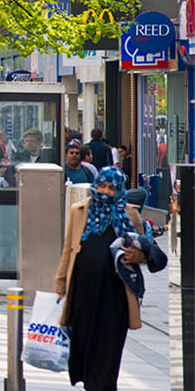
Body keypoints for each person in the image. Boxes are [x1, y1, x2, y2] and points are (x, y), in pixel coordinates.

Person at [55, 166, 150, 391]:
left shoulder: (129, 214)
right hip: (82, 293)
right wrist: (60, 285)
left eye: (111, 188)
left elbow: (145, 249)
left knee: (108, 352)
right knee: (84, 347)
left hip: (114, 295)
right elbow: (69, 250)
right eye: (102, 186)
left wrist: (135, 255)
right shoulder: (80, 211)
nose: (106, 192)